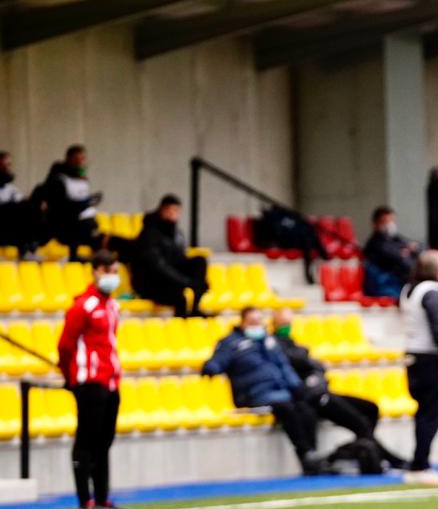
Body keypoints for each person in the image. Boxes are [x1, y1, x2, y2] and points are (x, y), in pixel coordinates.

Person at [270, 308, 407, 471]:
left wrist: (313, 370)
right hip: (311, 397)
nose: (288, 326)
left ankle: (360, 449)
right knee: (360, 424)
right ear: (275, 324)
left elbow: (317, 367)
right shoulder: (274, 345)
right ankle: (387, 458)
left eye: (289, 323)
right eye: (284, 323)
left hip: (321, 391)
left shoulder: (292, 343)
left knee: (370, 408)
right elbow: (302, 362)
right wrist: (309, 365)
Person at [202, 307, 323, 475]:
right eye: (252, 322)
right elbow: (217, 361)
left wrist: (296, 386)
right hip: (252, 394)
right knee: (286, 408)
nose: (256, 325)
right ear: (242, 322)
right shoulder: (231, 343)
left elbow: (283, 366)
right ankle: (305, 453)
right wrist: (211, 367)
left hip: (278, 391)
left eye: (259, 321)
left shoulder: (268, 341)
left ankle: (312, 453)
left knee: (305, 407)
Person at [56, 249, 122, 509]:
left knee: (104, 441)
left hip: (110, 381)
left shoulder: (113, 306)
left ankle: (103, 498)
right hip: (89, 381)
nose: (112, 277)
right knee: (86, 440)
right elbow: (65, 345)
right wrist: (70, 376)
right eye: (108, 271)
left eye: (115, 272)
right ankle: (86, 500)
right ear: (96, 271)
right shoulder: (82, 306)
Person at [400, 250, 438, 486]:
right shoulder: (432, 292)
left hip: (413, 355)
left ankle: (420, 461)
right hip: (429, 358)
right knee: (430, 414)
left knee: (424, 412)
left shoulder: (410, 289)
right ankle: (421, 464)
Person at [131, 194, 209, 317]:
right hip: (153, 283)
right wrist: (186, 282)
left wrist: (197, 283)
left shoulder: (177, 234)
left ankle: (195, 307)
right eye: (170, 210)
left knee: (199, 261)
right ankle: (181, 322)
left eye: (176, 211)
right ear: (162, 210)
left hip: (172, 281)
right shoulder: (149, 233)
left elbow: (180, 259)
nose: (173, 214)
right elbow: (157, 266)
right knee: (180, 297)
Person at [37, 144, 103, 257]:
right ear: (69, 160)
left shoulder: (82, 179)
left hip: (87, 223)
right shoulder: (59, 179)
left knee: (103, 239)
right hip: (66, 226)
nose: (81, 162)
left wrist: (89, 201)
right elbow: (62, 208)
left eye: (83, 159)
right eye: (77, 159)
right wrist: (85, 203)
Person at [363, 206, 421, 298]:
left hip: (399, 283)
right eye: (385, 222)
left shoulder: (395, 238)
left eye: (391, 221)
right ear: (375, 224)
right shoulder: (375, 244)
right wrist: (404, 252)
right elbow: (398, 257)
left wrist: (407, 251)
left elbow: (416, 248)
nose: (389, 225)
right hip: (385, 287)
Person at [0, 151, 42, 256]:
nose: (7, 169)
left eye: (8, 165)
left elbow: (24, 204)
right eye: (3, 166)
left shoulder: (11, 188)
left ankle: (30, 247)